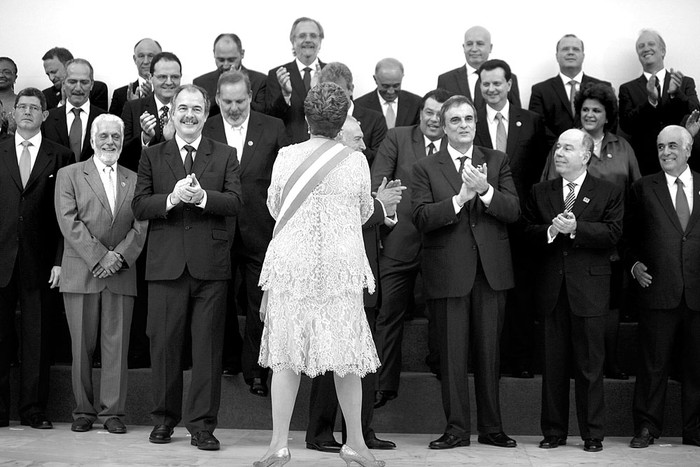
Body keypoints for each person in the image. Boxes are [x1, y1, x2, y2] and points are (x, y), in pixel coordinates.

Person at [255, 82, 383, 467]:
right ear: (343, 119)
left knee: (286, 356)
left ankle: (279, 443)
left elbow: (276, 207)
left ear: (306, 118)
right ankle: (356, 443)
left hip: (293, 267)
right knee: (346, 357)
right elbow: (364, 212)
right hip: (340, 269)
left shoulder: (285, 156)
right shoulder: (355, 160)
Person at [131, 84, 242, 451]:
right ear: (172, 113)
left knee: (208, 350)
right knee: (163, 347)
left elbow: (236, 203)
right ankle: (164, 420)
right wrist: (173, 198)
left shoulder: (225, 154)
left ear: (206, 113)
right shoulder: (152, 154)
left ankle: (203, 427)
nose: (189, 115)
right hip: (165, 267)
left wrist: (203, 198)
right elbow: (140, 206)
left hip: (210, 268)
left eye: (196, 108)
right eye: (182, 108)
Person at [412, 95, 520, 450]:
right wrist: (459, 198)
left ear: (477, 123)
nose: (463, 125)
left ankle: (492, 428)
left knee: (490, 355)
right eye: (455, 120)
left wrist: (485, 191)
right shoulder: (426, 166)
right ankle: (456, 430)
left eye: (469, 119)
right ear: (443, 126)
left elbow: (513, 211)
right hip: (448, 273)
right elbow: (421, 218)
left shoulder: (497, 160)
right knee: (452, 356)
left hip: (490, 274)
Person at [523, 128, 624, 453]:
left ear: (586, 154)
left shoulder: (607, 191)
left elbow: (613, 233)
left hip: (590, 291)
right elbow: (526, 232)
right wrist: (551, 230)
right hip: (552, 292)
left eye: (568, 148)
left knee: (590, 366)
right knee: (552, 366)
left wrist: (578, 227)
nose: (560, 153)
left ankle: (593, 434)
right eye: (558, 147)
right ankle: (553, 432)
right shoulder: (541, 191)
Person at [305, 116, 402, 453]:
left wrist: (383, 211)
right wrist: (379, 205)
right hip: (332, 279)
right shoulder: (324, 175)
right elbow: (346, 218)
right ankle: (318, 433)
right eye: (357, 139)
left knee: (362, 359)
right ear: (338, 138)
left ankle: (359, 432)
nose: (364, 145)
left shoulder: (357, 169)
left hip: (361, 276)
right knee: (329, 358)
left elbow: (364, 217)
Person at [54, 114, 147, 433]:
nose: (110, 142)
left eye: (116, 137)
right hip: (81, 271)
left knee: (116, 346)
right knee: (81, 347)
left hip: (120, 272)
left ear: (123, 141)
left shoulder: (135, 178)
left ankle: (113, 414)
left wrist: (118, 256)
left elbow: (141, 224)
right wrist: (99, 257)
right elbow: (68, 221)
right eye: (104, 136)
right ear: (92, 140)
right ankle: (83, 410)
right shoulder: (69, 175)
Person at [202, 70, 287, 395]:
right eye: (227, 102)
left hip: (260, 228)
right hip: (216, 228)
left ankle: (255, 369)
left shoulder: (273, 126)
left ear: (250, 97)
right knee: (217, 300)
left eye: (240, 101)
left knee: (258, 301)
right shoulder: (206, 127)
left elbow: (282, 176)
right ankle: (229, 357)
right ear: (218, 100)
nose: (234, 108)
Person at [370, 88, 452, 406]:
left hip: (442, 242)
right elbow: (379, 182)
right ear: (420, 113)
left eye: (439, 114)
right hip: (399, 239)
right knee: (388, 312)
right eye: (428, 112)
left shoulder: (457, 144)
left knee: (444, 315)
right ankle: (381, 384)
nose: (433, 119)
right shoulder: (397, 137)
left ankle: (443, 371)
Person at [0, 87, 72, 429]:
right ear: (13, 113)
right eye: (21, 106)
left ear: (46, 114)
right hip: (1, 259)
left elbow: (65, 214)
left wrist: (60, 259)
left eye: (34, 107)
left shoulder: (61, 156)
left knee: (36, 338)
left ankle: (33, 410)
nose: (27, 111)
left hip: (41, 261)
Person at [626, 125, 700, 449]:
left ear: (688, 149)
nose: (666, 152)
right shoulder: (644, 188)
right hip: (658, 289)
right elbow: (627, 237)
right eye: (660, 147)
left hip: (698, 292)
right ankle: (647, 426)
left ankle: (694, 428)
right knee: (653, 365)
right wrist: (633, 264)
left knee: (697, 366)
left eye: (672, 146)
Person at [473, 59, 547, 379]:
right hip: (485, 217)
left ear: (509, 84)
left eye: (496, 83)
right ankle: (484, 362)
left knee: (520, 292)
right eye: (485, 84)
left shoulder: (531, 121)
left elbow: (541, 171)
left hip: (522, 221)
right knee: (486, 294)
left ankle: (519, 359)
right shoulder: (470, 121)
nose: (491, 89)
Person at [619, 29, 699, 176]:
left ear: (663, 51)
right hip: (645, 166)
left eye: (651, 44)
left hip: (683, 162)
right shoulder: (627, 89)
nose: (646, 48)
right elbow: (626, 125)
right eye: (641, 46)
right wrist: (650, 101)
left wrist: (676, 94)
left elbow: (695, 113)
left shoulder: (685, 82)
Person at [529, 34, 610, 148]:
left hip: (595, 154)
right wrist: (564, 148)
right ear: (557, 56)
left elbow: (610, 123)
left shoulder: (602, 87)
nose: (570, 52)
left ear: (583, 56)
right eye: (565, 49)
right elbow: (537, 127)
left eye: (576, 49)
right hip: (555, 155)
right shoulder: (540, 90)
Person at [265, 17, 326, 144]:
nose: (308, 40)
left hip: (324, 147)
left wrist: (318, 92)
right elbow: (270, 117)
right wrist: (285, 96)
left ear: (320, 41)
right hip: (288, 147)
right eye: (302, 36)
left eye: (313, 36)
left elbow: (344, 113)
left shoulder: (331, 72)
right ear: (293, 40)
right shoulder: (278, 74)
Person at [120, 52, 182, 171]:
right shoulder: (133, 108)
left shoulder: (188, 110)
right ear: (151, 77)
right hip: (141, 180)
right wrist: (145, 138)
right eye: (162, 77)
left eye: (174, 77)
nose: (169, 82)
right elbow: (122, 154)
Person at [317, 62, 387, 166]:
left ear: (351, 89)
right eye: (328, 92)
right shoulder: (316, 120)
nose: (333, 97)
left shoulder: (375, 120)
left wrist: (353, 139)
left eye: (338, 91)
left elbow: (379, 159)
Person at [437, 26, 520, 109]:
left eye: (480, 44)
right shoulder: (446, 80)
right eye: (469, 44)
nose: (474, 49)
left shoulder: (507, 78)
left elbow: (516, 113)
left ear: (490, 48)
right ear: (463, 47)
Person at [42, 58, 106, 163]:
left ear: (92, 85)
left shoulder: (105, 119)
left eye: (84, 82)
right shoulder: (47, 120)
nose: (78, 88)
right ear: (63, 84)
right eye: (72, 82)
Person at [194, 33, 267, 116]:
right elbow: (200, 113)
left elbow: (263, 113)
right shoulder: (201, 83)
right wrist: (220, 94)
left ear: (242, 54)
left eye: (231, 60)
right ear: (214, 54)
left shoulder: (260, 81)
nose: (225, 65)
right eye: (221, 60)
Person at [354, 58, 422, 129]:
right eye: (385, 86)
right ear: (375, 79)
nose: (391, 91)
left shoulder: (416, 104)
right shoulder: (360, 106)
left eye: (396, 86)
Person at [41, 47, 108, 111]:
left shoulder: (97, 89)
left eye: (54, 72)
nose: (51, 78)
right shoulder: (46, 96)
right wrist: (63, 103)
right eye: (48, 74)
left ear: (68, 66)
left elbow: (101, 118)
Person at [109, 38, 162, 118]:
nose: (146, 61)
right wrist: (132, 106)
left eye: (151, 56)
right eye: (141, 56)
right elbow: (113, 127)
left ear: (160, 59)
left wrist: (152, 99)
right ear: (135, 59)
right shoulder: (120, 94)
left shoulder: (171, 92)